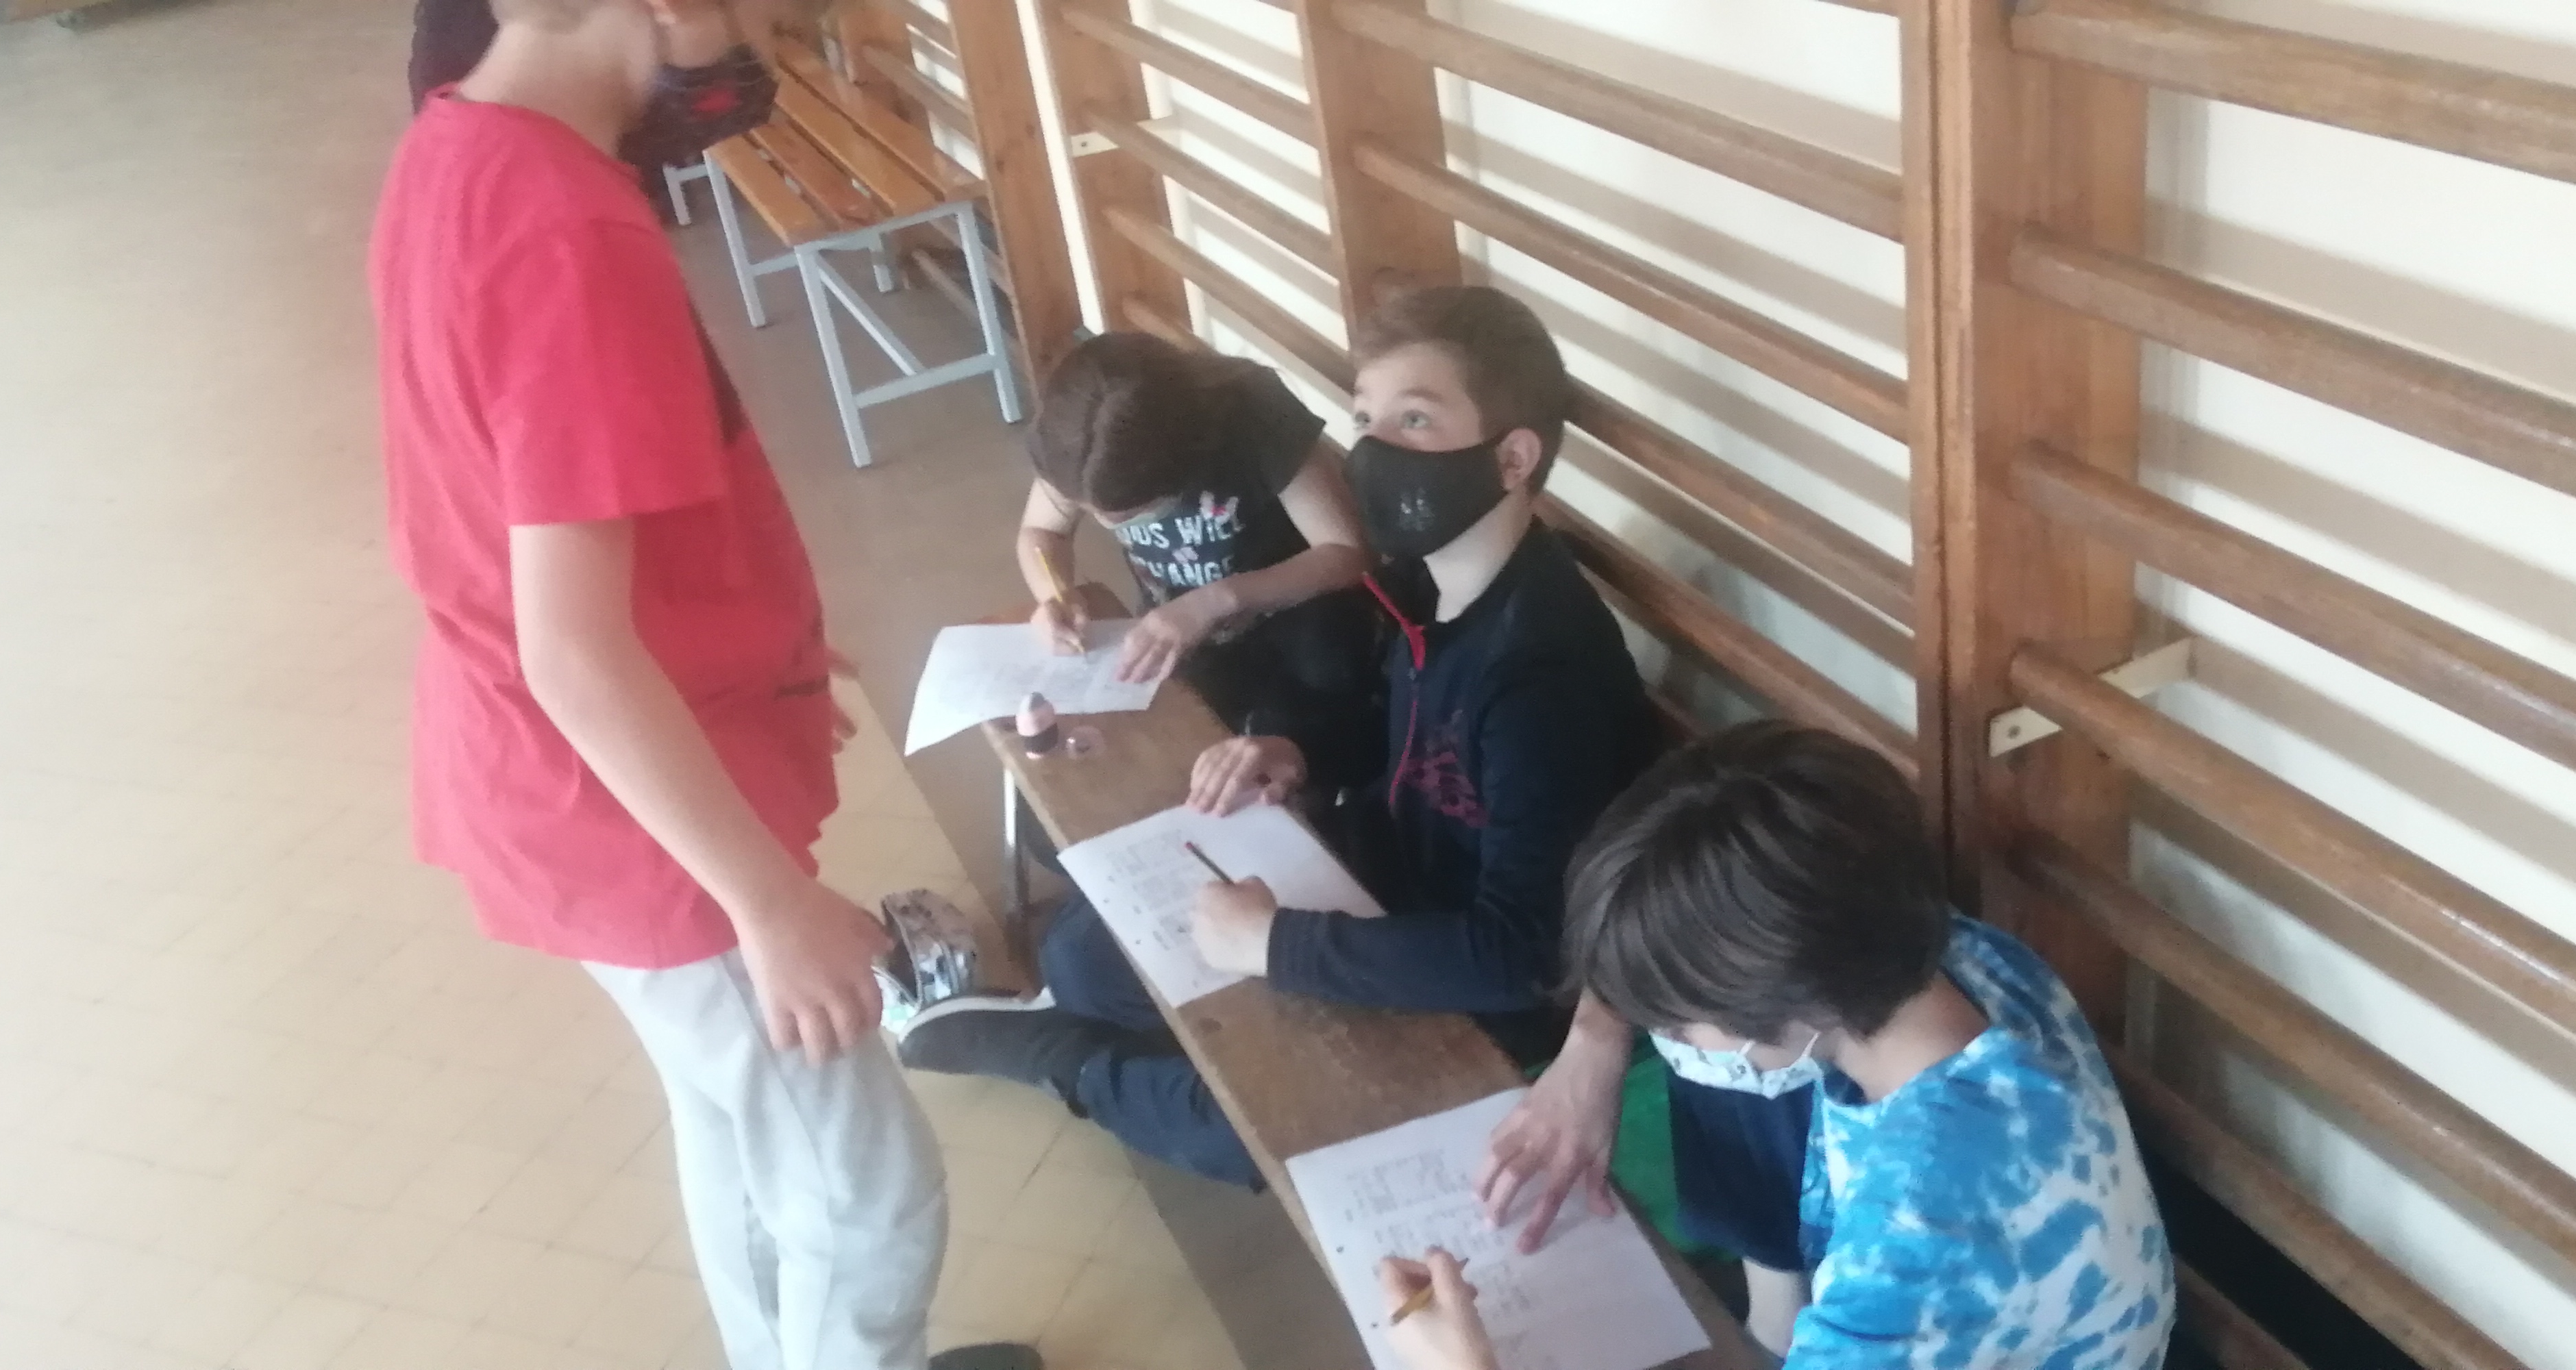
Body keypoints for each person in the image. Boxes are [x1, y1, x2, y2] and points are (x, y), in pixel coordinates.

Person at [367, 1, 1034, 1366]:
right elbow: (574, 648)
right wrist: (769, 904)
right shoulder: (571, 232)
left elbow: (544, 522)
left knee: (739, 1127)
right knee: (867, 1201)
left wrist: (752, 649)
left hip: (563, 784)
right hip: (647, 839)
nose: (755, 22)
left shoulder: (461, 142)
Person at [902, 287, 1663, 1188]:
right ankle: (1105, 1028)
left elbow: (1523, 952)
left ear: (1513, 456)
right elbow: (1406, 746)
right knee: (1080, 956)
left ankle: (1062, 1060)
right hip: (1376, 881)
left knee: (1231, 1133)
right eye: (1366, 419)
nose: (1374, 450)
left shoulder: (1542, 672)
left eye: (1416, 419)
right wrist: (1298, 754)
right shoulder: (1428, 589)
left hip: (1461, 968)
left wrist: (1276, 945)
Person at [1474, 723, 2176, 1367]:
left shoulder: (1926, 1218)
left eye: (1681, 1028)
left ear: (1789, 999)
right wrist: (1596, 1038)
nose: (1673, 1044)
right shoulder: (1940, 953)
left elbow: (1915, 1253)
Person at [1014, 330, 1378, 790]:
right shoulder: (1074, 447)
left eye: (1131, 515)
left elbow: (1348, 553)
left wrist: (1218, 600)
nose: (1105, 524)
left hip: (1301, 614)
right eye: (1088, 510)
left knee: (1296, 755)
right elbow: (1042, 532)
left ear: (1185, 466)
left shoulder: (1255, 415)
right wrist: (1053, 595)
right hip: (1184, 627)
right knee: (1177, 751)